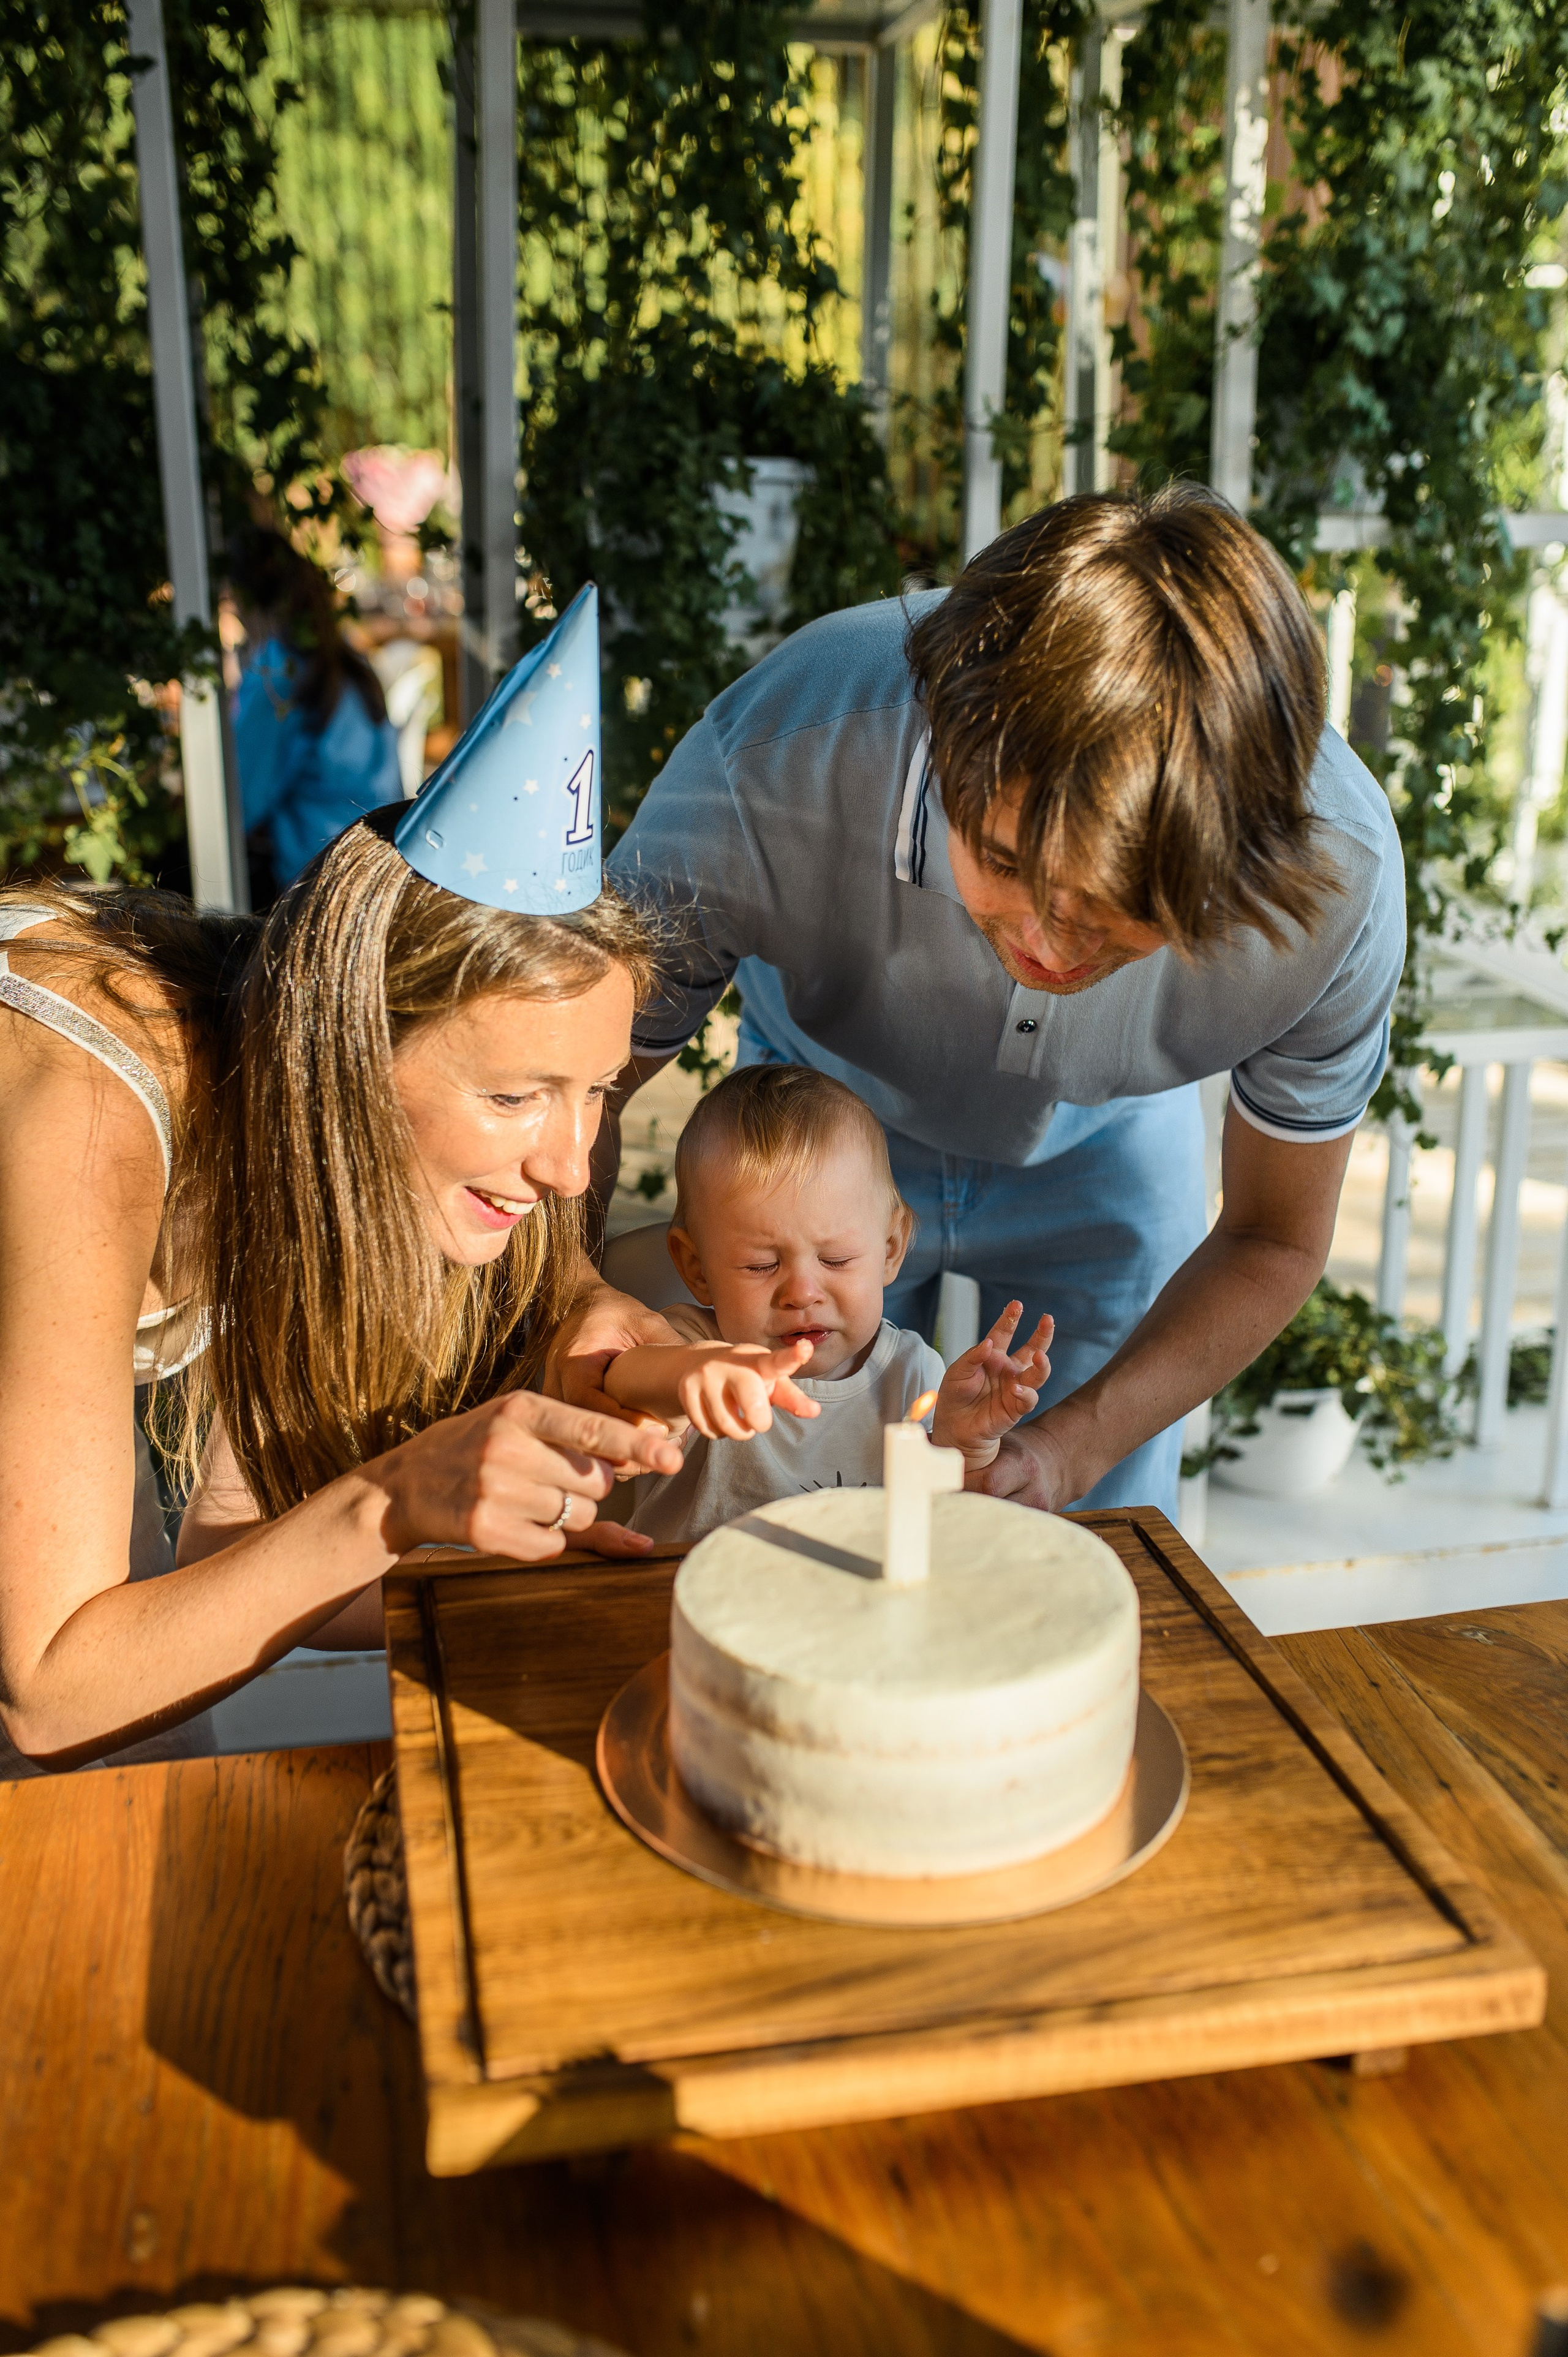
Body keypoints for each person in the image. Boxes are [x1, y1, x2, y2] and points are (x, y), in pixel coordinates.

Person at [548, 488, 1406, 1523]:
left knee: (1099, 1547)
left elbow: (1274, 1237)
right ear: (943, 749)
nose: (1046, 943)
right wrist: (571, 1292)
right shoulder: (775, 754)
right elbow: (573, 1086)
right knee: (778, 1509)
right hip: (823, 1122)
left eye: (1114, 916)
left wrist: (1069, 1448)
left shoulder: (1339, 887)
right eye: (1000, 863)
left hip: (1116, 1142)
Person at [0, 584, 680, 1775]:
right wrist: (399, 1493)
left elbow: (241, 1573)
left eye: (595, 1091)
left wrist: (495, 1558)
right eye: (516, 1096)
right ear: (347, 1045)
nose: (573, 1168)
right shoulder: (92, 1120)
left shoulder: (290, 1126)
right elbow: (56, 1690)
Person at [601, 1063, 1054, 1540]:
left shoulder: (913, 1373)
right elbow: (622, 1380)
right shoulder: (691, 1343)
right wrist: (689, 1373)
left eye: (835, 1260)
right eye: (760, 1265)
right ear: (697, 1269)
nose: (802, 1293)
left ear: (890, 1251)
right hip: (689, 1605)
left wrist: (969, 1446)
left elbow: (944, 1529)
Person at [228, 524, 403, 895]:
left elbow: (238, 805)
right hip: (378, 867)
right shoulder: (348, 656)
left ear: (245, 601)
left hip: (316, 879)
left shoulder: (277, 673)